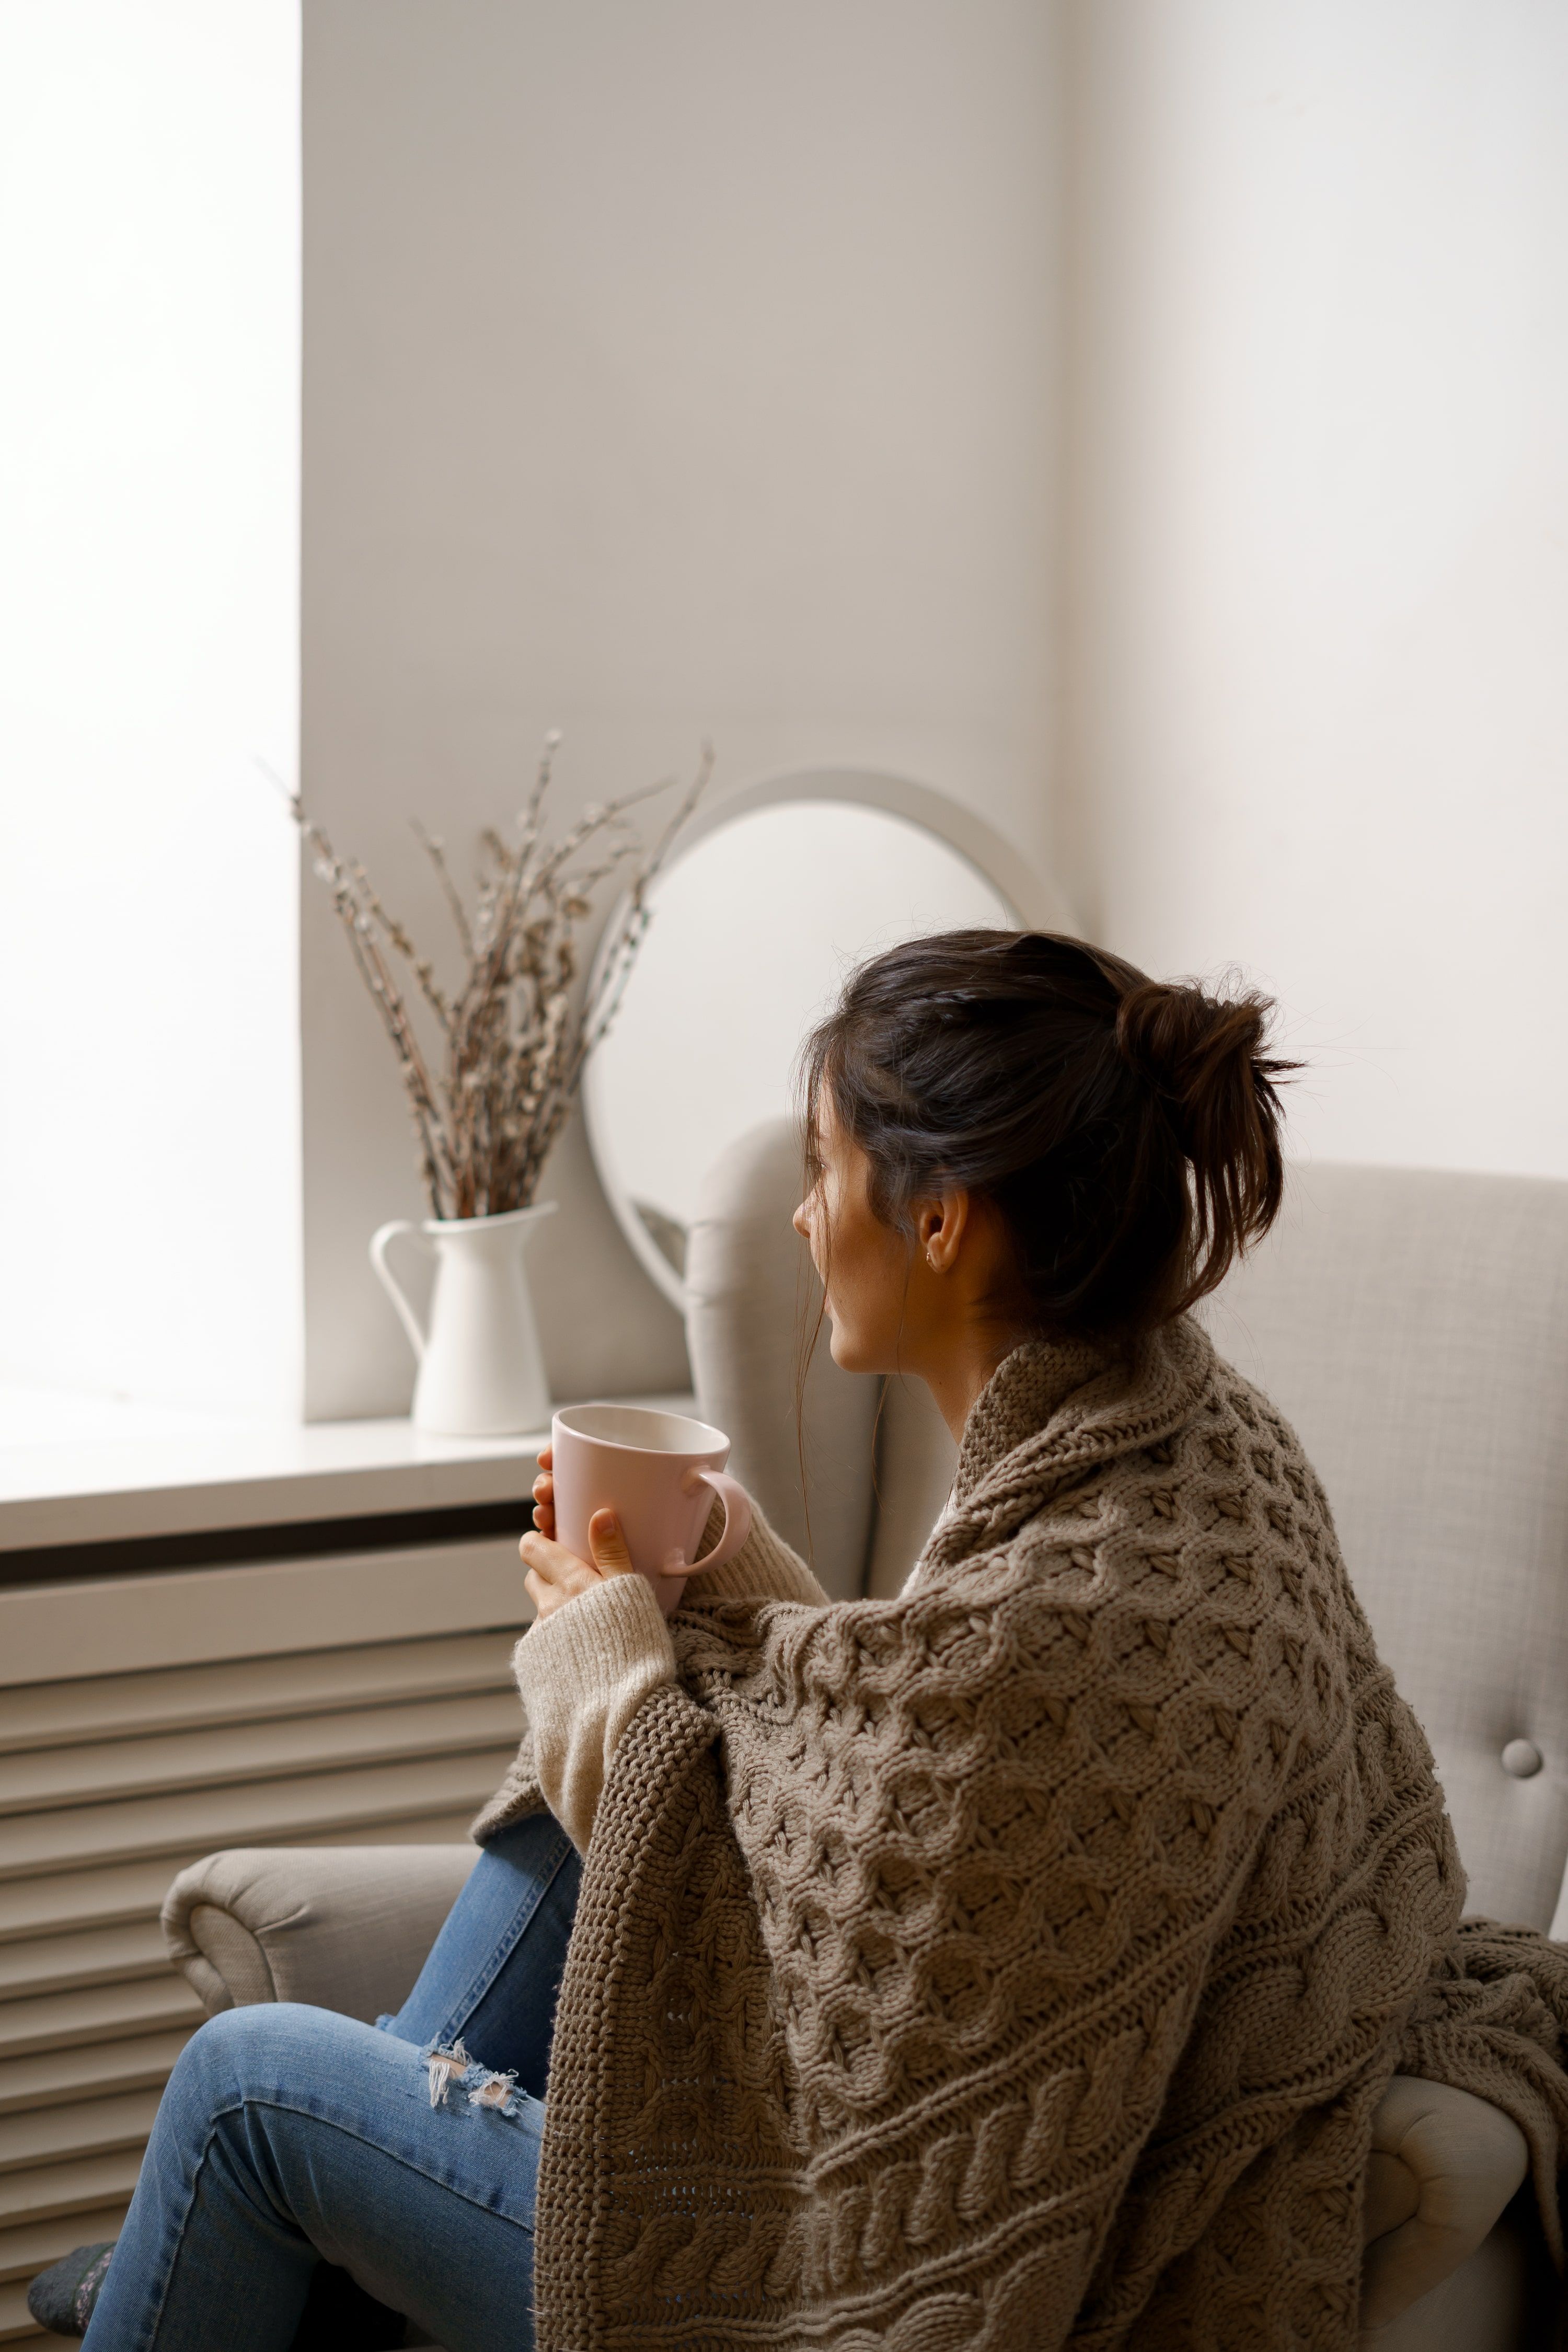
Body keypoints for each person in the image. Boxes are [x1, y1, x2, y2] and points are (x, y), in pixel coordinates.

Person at [36, 929, 1568, 2350]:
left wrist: (610, 1674)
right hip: (984, 2111)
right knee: (692, 1716)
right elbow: (926, 1796)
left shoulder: (1078, 1608)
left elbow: (875, 1987)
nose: (801, 1210)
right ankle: (283, 2267)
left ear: (945, 1220)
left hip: (835, 2270)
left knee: (242, 2085)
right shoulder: (1202, 1438)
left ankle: (243, 2260)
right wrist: (713, 1586)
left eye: (825, 1165)